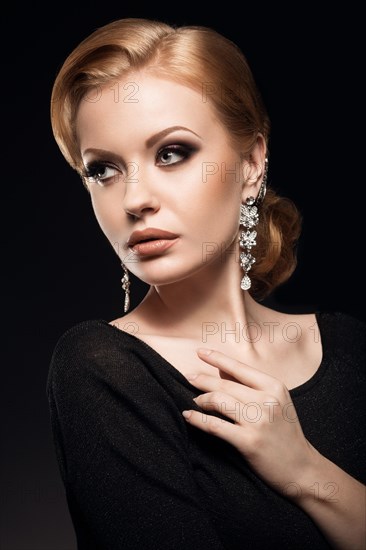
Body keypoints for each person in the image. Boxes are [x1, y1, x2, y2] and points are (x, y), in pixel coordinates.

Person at [47, 17, 366, 549]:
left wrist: (306, 470)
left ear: (250, 164)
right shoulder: (101, 370)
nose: (133, 200)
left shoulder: (352, 350)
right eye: (103, 170)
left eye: (171, 153)